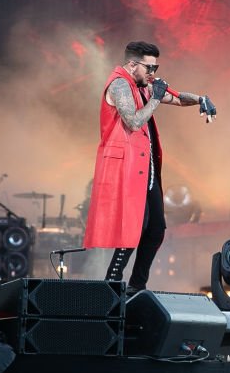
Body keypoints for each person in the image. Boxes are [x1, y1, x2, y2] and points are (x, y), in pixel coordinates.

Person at [83, 41, 216, 294]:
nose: (153, 73)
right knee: (134, 226)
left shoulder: (141, 84)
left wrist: (201, 99)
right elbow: (133, 121)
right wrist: (154, 99)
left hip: (147, 168)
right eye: (149, 67)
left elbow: (174, 97)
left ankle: (136, 286)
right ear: (133, 64)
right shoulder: (119, 84)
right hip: (127, 168)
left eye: (156, 67)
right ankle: (111, 282)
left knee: (156, 229)